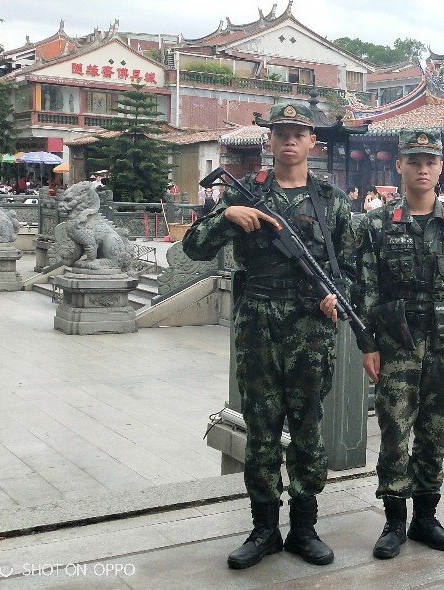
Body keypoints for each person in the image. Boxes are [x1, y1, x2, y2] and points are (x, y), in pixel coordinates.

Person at [182, 102, 354, 570]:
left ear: (312, 141)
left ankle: (303, 528)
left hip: (310, 330)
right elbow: (193, 247)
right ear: (270, 141)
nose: (290, 140)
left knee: (307, 431)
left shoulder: (330, 199)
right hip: (258, 324)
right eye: (281, 133)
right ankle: (263, 530)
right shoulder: (245, 193)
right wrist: (226, 216)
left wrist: (338, 297)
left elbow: (353, 268)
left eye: (298, 132)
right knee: (260, 433)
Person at [353, 129, 444, 560]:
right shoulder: (377, 224)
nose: (423, 169)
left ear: (440, 168)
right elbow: (366, 288)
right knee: (394, 433)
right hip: (397, 346)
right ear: (400, 166)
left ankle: (426, 517)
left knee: (435, 432)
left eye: (430, 162)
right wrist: (367, 344)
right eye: (414, 161)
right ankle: (394, 522)